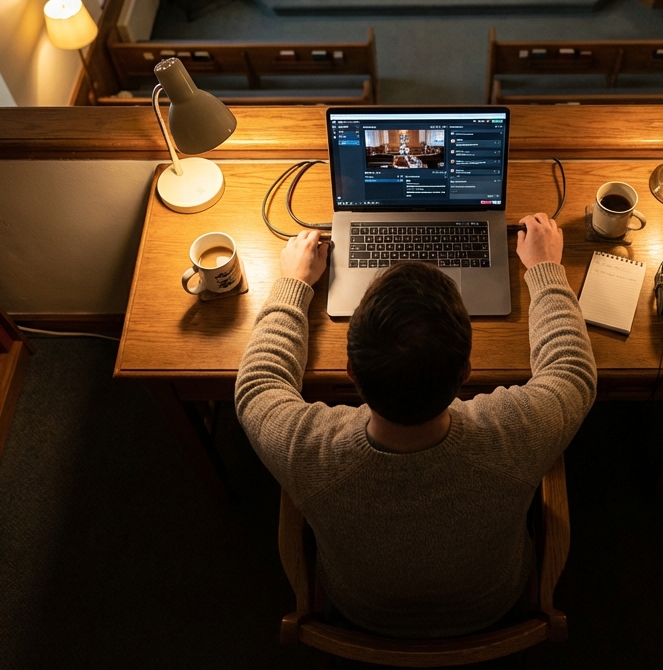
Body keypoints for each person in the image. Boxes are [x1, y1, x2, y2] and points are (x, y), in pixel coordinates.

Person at [234, 213, 596, 638]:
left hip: (359, 611)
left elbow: (257, 385)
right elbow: (572, 371)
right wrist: (545, 270)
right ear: (465, 373)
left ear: (351, 370)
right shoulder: (516, 435)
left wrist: (295, 285)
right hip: (491, 606)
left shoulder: (306, 452)